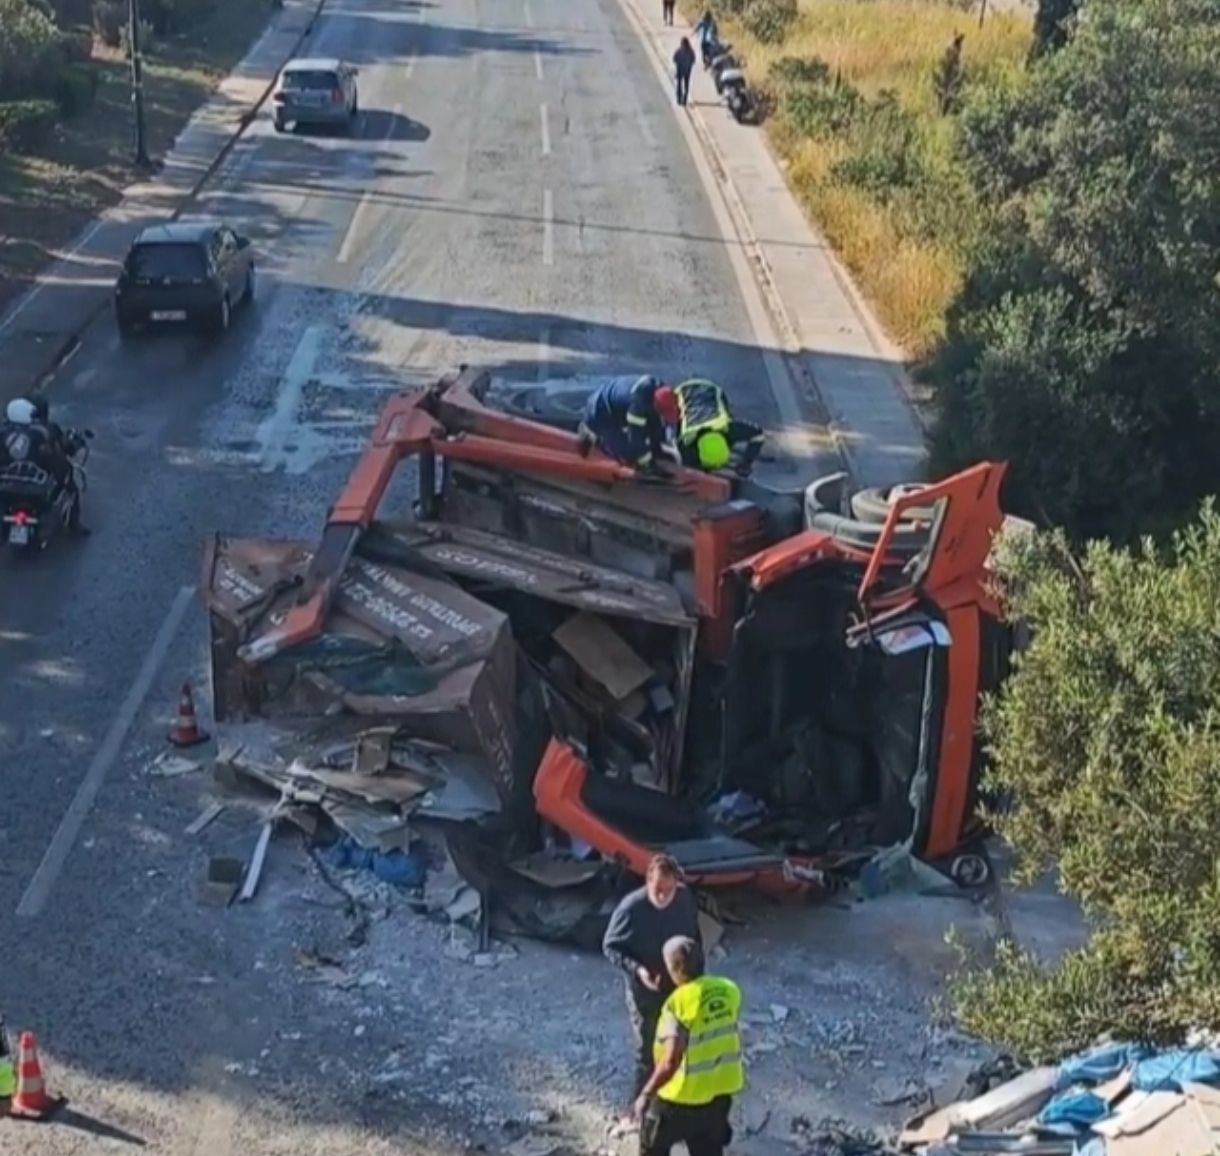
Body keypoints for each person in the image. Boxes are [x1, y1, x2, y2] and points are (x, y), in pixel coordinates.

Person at [603, 855, 703, 1126]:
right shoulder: (631, 909)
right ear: (648, 881)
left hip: (679, 989)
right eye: (658, 889)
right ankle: (638, 1111)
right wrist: (638, 970)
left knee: (680, 1046)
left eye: (668, 890)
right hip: (646, 992)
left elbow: (694, 939)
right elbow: (610, 947)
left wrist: (697, 980)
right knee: (647, 1051)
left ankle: (673, 1104)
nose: (663, 896)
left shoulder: (684, 899)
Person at [632, 935, 745, 1156]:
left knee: (652, 1144)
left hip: (680, 1099)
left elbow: (672, 1059)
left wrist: (646, 1094)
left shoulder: (677, 1004)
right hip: (717, 1096)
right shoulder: (730, 990)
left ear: (672, 968)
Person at [0, 396, 85, 531]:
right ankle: (74, 525)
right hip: (37, 486)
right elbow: (66, 447)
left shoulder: (3, 431)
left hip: (6, 485)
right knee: (70, 483)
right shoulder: (45, 430)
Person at [654, 379, 765, 475]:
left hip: (713, 390)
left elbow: (758, 435)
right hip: (683, 392)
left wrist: (746, 463)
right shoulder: (687, 439)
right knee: (682, 448)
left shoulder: (726, 427)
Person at [578, 375, 671, 473]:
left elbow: (656, 425)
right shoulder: (638, 406)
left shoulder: (661, 391)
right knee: (628, 454)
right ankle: (590, 434)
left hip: (618, 406)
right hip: (599, 411)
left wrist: (656, 448)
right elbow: (635, 439)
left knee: (653, 425)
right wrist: (648, 464)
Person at [673, 39, 696, 106]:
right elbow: (693, 60)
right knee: (683, 85)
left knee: (681, 84)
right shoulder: (690, 51)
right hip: (686, 70)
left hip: (681, 70)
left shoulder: (679, 51)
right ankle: (683, 99)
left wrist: (679, 63)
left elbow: (674, 59)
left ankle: (681, 99)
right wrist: (689, 64)